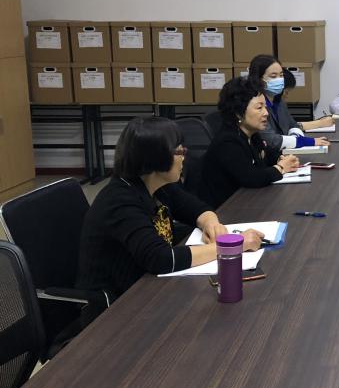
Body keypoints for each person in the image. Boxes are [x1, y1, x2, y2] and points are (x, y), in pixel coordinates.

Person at [76, 116, 264, 324]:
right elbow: (161, 259)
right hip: (113, 310)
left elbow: (197, 209)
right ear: (156, 157)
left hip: (149, 289)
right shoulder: (119, 201)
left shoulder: (158, 185)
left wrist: (211, 224)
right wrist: (232, 247)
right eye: (179, 151)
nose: (184, 157)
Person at [200, 76, 300, 208]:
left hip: (247, 202)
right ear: (238, 113)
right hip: (225, 210)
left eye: (265, 107)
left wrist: (281, 159)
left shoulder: (252, 135)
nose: (266, 113)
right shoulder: (227, 142)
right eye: (259, 108)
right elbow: (252, 178)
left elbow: (267, 156)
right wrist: (281, 168)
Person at [248, 54, 332, 149]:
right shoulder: (255, 104)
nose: (279, 80)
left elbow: (292, 125)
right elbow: (272, 140)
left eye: (281, 75)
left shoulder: (278, 100)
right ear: (259, 79)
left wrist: (295, 138)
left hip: (285, 152)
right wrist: (307, 141)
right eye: (273, 76)